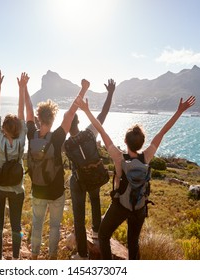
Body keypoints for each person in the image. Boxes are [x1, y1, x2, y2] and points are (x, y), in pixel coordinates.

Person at [75, 95, 196, 259]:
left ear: (125, 141)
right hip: (139, 206)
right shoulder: (146, 156)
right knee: (133, 243)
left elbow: (101, 130)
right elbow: (163, 132)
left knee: (103, 235)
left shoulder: (118, 157)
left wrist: (87, 111)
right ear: (142, 142)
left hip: (120, 206)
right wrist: (179, 111)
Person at [25, 78, 90, 260]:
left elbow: (28, 111)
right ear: (52, 119)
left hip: (37, 190)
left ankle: (34, 256)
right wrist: (83, 89)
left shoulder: (31, 134)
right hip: (55, 191)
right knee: (54, 226)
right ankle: (52, 257)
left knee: (37, 224)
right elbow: (70, 113)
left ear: (38, 119)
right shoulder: (57, 137)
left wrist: (24, 88)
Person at [64, 79, 116, 260]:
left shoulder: (66, 143)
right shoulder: (89, 132)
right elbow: (104, 113)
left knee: (78, 216)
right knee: (95, 200)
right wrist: (110, 93)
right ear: (78, 122)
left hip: (78, 180)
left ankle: (82, 254)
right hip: (94, 174)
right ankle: (95, 232)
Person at [0, 69, 28, 260]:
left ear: (3, 128)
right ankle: (15, 259)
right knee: (16, 225)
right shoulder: (22, 140)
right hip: (17, 189)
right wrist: (22, 89)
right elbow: (21, 113)